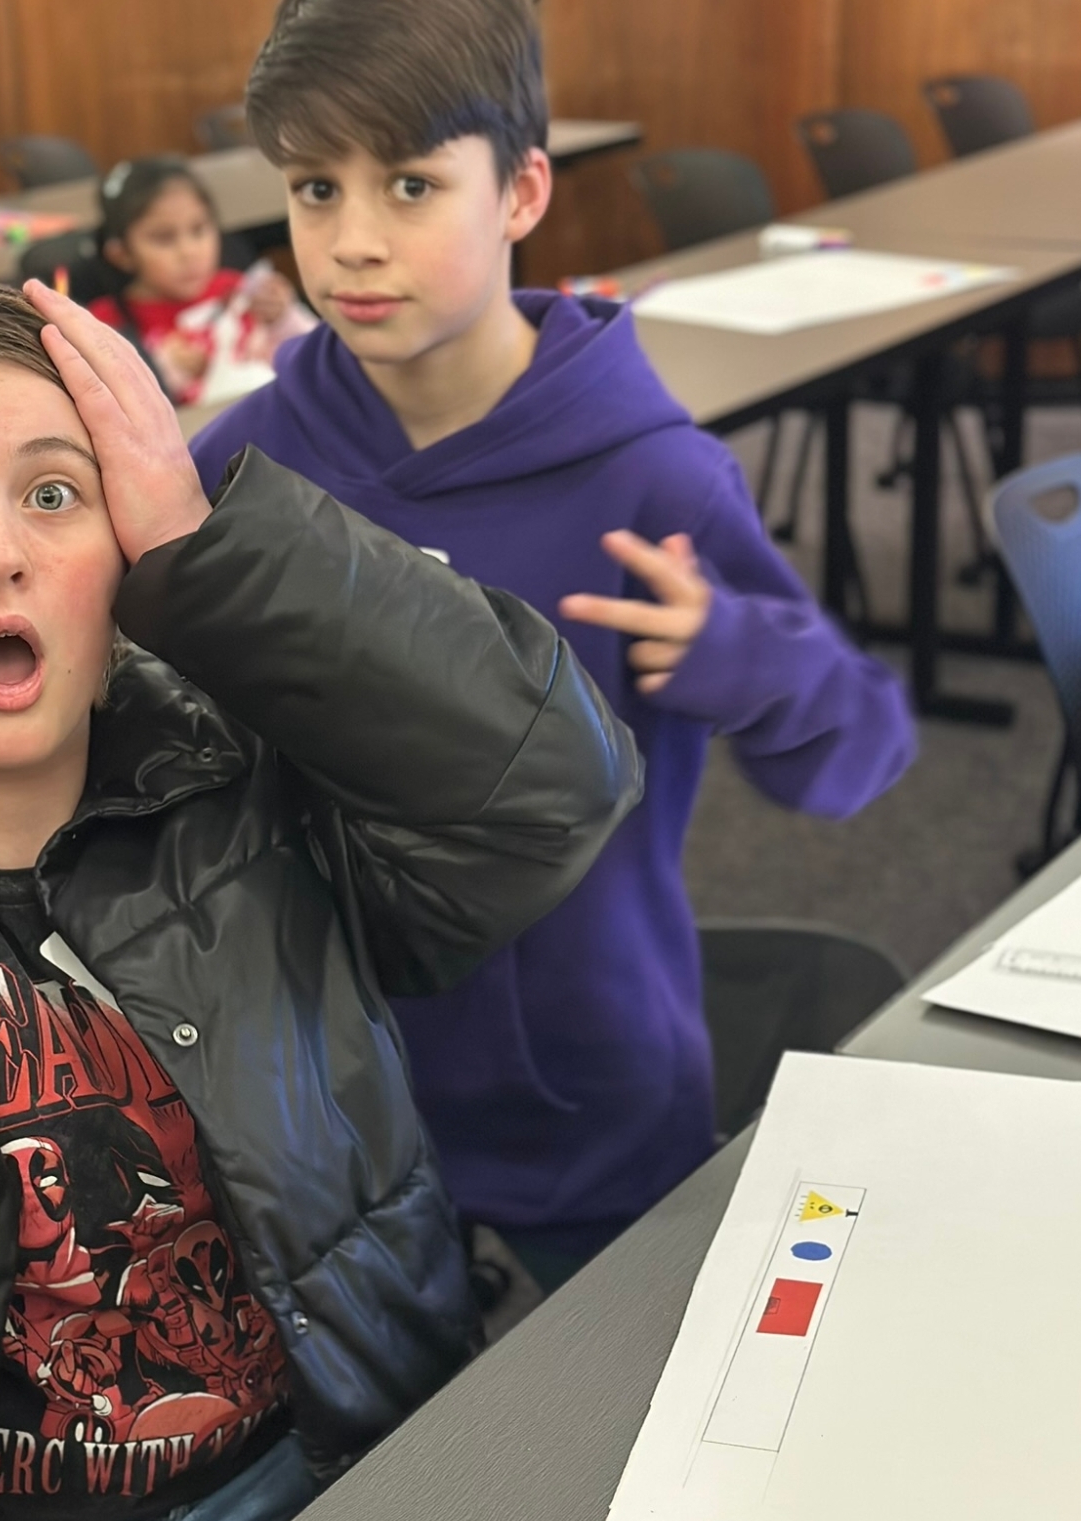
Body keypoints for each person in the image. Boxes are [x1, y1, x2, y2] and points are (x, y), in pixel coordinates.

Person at [0, 280, 640, 1521]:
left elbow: (553, 782)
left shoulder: (244, 771)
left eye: (56, 493)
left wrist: (206, 545)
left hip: (353, 1456)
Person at [189, 0, 918, 1291]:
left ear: (522, 189)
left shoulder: (656, 484)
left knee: (599, 1439)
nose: (352, 242)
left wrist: (742, 657)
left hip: (587, 1085)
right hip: (319, 1099)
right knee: (382, 1466)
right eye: (314, 188)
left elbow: (856, 753)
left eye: (410, 185)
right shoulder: (244, 466)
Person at [87, 156, 316, 403]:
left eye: (198, 230)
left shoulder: (239, 290)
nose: (189, 252)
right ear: (122, 254)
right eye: (164, 238)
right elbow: (109, 401)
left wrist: (282, 318)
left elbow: (314, 356)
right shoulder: (106, 325)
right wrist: (163, 370)